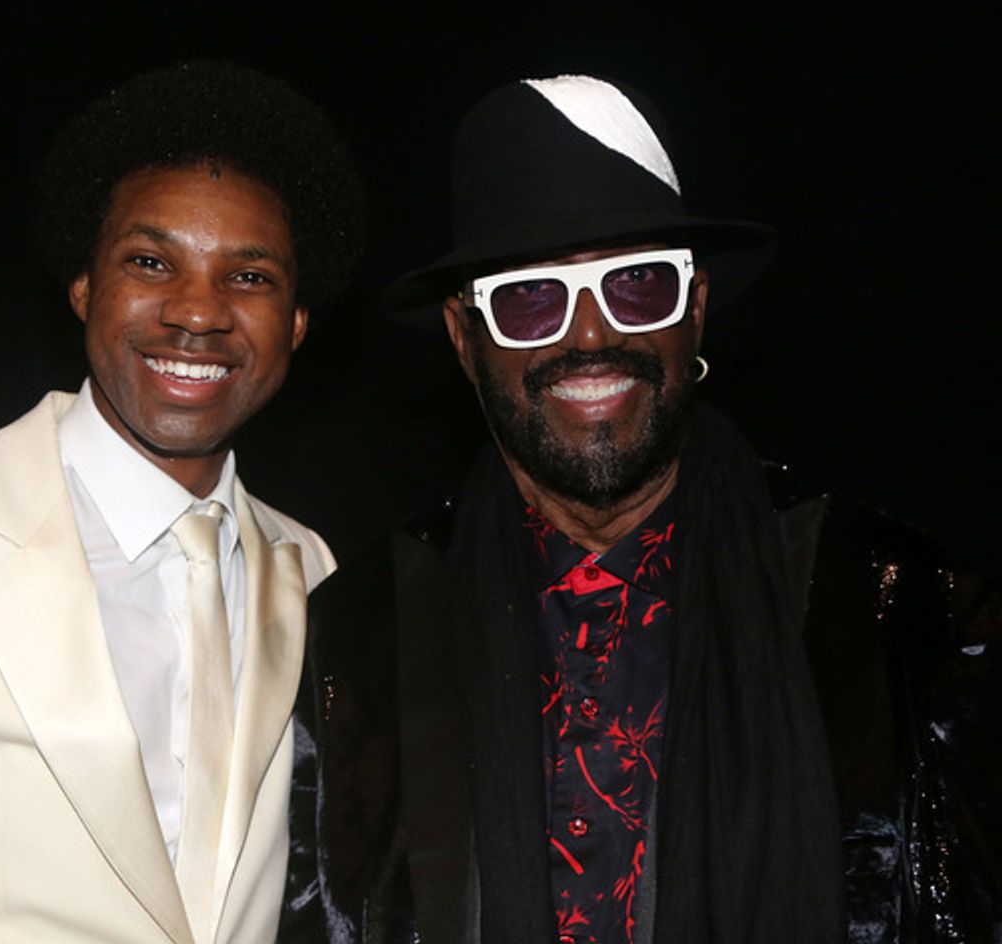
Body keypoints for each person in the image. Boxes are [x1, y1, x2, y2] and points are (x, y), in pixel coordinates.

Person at [382, 74, 998, 943]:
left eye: (637, 285)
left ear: (696, 310)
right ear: (463, 336)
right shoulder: (364, 639)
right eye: (530, 298)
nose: (590, 336)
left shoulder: (909, 623)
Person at [0, 59, 364, 944]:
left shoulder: (313, 572)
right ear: (83, 289)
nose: (199, 312)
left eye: (249, 277)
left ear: (295, 325)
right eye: (151, 262)